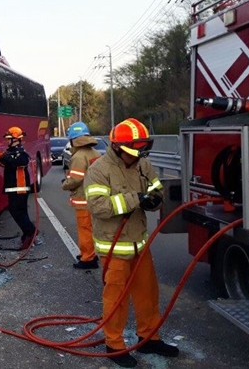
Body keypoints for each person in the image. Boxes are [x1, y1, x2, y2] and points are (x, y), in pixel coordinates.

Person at [84, 118, 177, 368]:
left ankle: (148, 338)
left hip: (139, 243)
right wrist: (135, 199)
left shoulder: (142, 163)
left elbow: (156, 190)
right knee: (116, 298)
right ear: (116, 148)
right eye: (132, 152)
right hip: (114, 246)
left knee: (148, 293)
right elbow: (98, 206)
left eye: (141, 151)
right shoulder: (98, 169)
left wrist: (154, 201)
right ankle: (114, 345)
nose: (136, 157)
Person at [0, 127, 40, 250]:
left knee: (16, 211)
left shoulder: (21, 153)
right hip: (14, 188)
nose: (7, 141)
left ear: (16, 139)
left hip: (19, 188)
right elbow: (6, 163)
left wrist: (7, 157)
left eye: (9, 139)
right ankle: (28, 233)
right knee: (21, 212)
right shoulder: (11, 152)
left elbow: (21, 162)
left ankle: (31, 232)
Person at [61, 122, 101, 269]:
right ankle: (90, 253)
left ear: (73, 140)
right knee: (91, 229)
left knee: (84, 229)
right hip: (94, 197)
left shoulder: (79, 157)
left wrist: (65, 184)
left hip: (83, 199)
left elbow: (76, 179)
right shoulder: (94, 153)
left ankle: (88, 258)